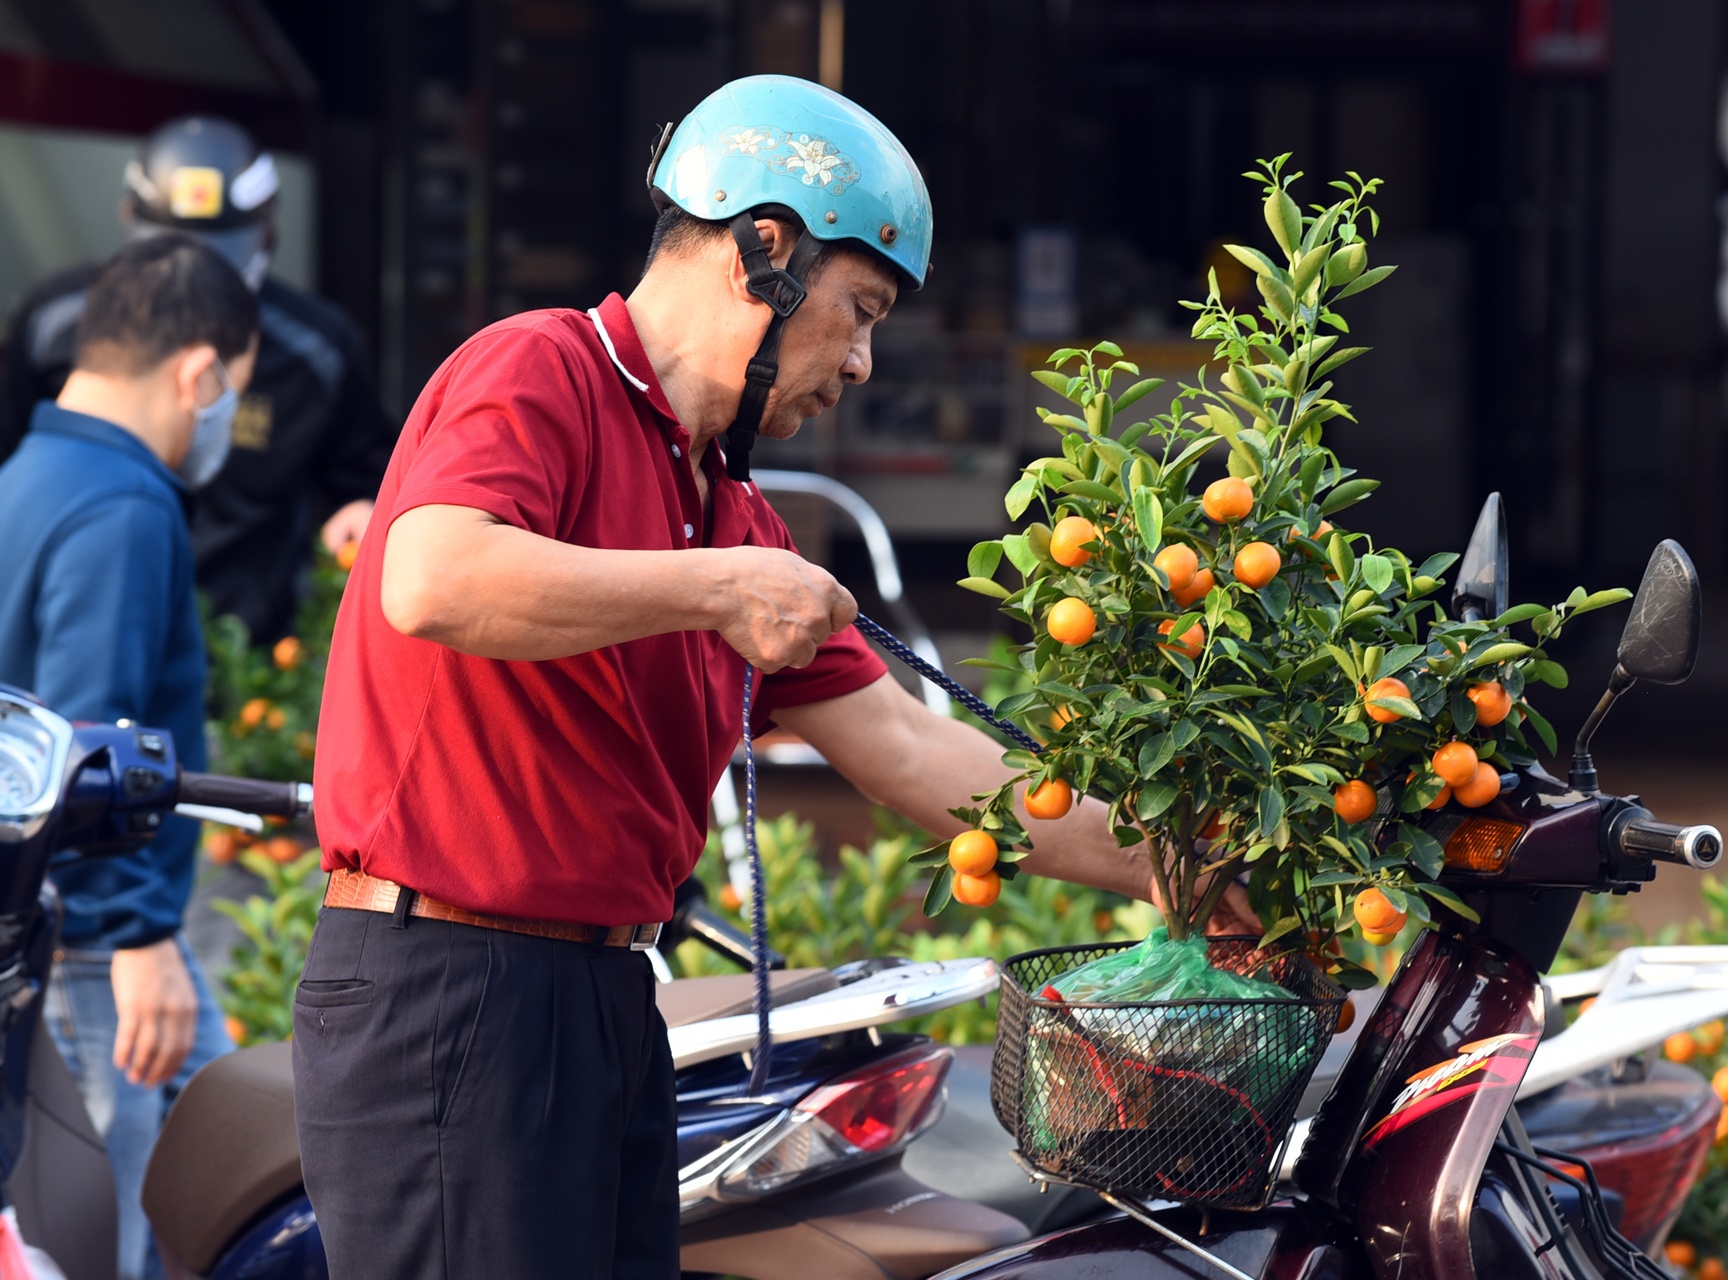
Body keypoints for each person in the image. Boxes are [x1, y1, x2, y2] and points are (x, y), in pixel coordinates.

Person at [299, 75, 1257, 1280]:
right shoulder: (541, 368)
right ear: (764, 250)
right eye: (856, 311)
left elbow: (921, 756)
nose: (859, 363)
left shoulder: (736, 514)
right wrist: (717, 589)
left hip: (604, 993)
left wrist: (1186, 866)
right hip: (450, 988)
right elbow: (433, 578)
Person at [0, 235, 259, 1280]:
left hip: (54, 917)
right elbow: (82, 750)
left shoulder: (29, 473)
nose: (227, 420)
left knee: (213, 1155)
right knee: (124, 1222)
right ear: (198, 372)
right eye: (233, 392)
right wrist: (135, 937)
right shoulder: (124, 502)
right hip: (98, 926)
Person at [0, 115, 396, 643]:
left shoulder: (318, 349)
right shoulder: (57, 318)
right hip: (80, 622)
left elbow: (370, 475)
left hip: (251, 662)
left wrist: (361, 510)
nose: (195, 283)